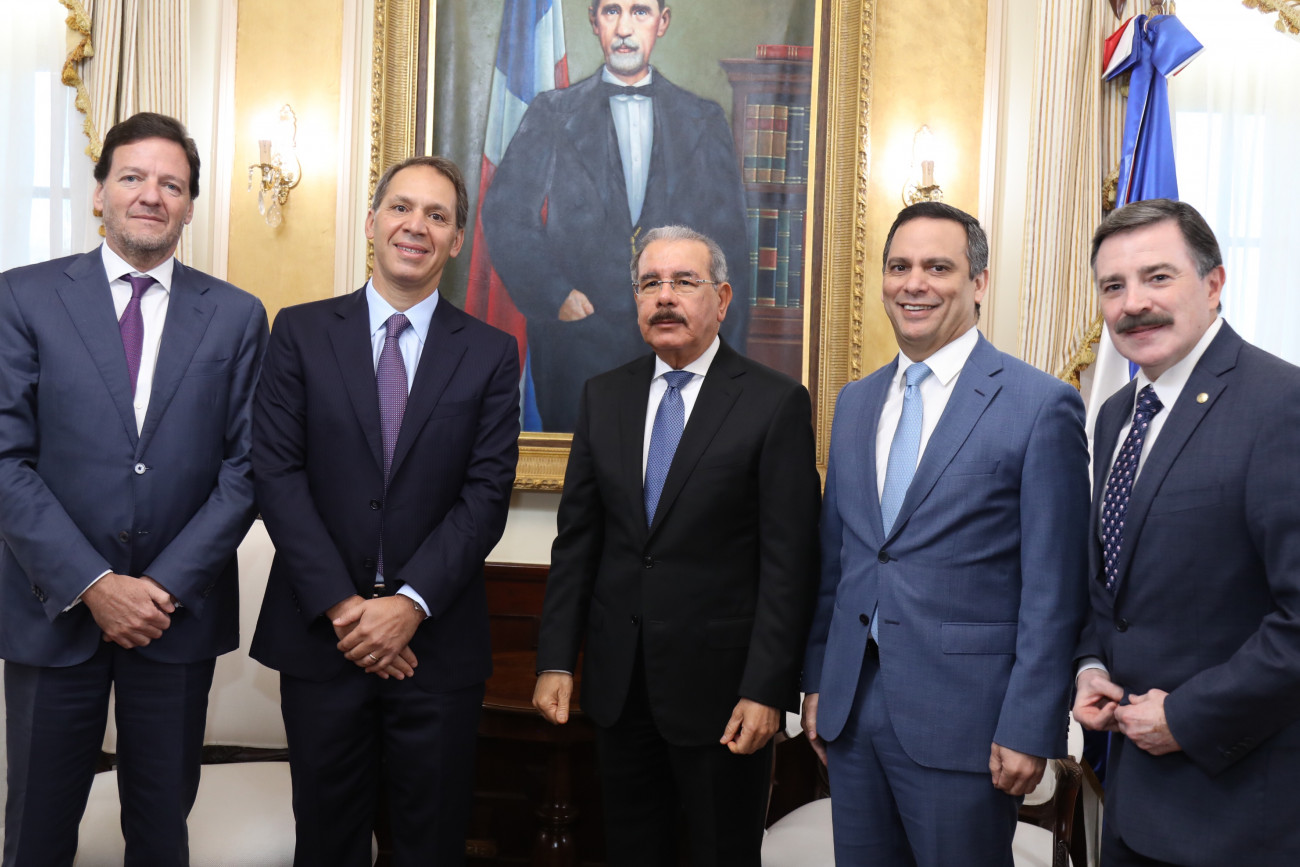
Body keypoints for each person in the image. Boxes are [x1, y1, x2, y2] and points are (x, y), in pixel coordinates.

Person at [0, 112, 268, 866]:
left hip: (172, 621)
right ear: (99, 193)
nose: (152, 194)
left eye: (172, 184)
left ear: (189, 206)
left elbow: (247, 468)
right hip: (53, 612)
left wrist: (161, 588)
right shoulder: (22, 297)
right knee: (36, 835)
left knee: (160, 834)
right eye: (133, 177)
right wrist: (94, 584)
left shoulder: (237, 316)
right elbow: (6, 458)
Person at [250, 155, 520, 866]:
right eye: (401, 208)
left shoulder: (492, 353)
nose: (416, 226)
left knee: (431, 847)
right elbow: (276, 474)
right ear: (371, 222)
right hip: (320, 638)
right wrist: (347, 609)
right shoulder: (300, 332)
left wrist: (408, 605)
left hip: (436, 644)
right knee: (327, 844)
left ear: (456, 241)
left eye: (437, 215)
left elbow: (486, 494)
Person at [801, 202, 1090, 866]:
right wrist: (817, 681)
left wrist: (1030, 723)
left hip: (969, 723)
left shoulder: (1039, 404)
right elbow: (838, 559)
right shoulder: (855, 402)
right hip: (851, 711)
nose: (914, 284)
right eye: (899, 267)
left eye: (938, 267)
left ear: (978, 282)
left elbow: (1054, 589)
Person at [532, 225, 819, 865]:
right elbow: (577, 543)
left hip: (724, 698)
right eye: (650, 284)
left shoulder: (774, 403)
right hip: (619, 691)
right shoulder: (603, 395)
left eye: (684, 282)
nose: (665, 297)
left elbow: (790, 563)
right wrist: (556, 661)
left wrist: (768, 690)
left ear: (722, 299)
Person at [1073, 198, 1300, 866]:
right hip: (1133, 799)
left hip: (1239, 811)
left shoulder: (1280, 405)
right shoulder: (1117, 414)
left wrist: (1187, 716)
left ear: (1214, 283)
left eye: (1157, 277)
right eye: (1113, 286)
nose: (1133, 303)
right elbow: (1113, 579)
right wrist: (1090, 664)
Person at [481, 0, 751, 432]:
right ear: (594, 22)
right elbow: (505, 214)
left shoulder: (703, 118)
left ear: (662, 22)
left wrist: (721, 356)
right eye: (611, 12)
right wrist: (555, 295)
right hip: (576, 352)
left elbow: (730, 244)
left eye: (639, 12)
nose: (624, 28)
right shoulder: (552, 113)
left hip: (679, 346)